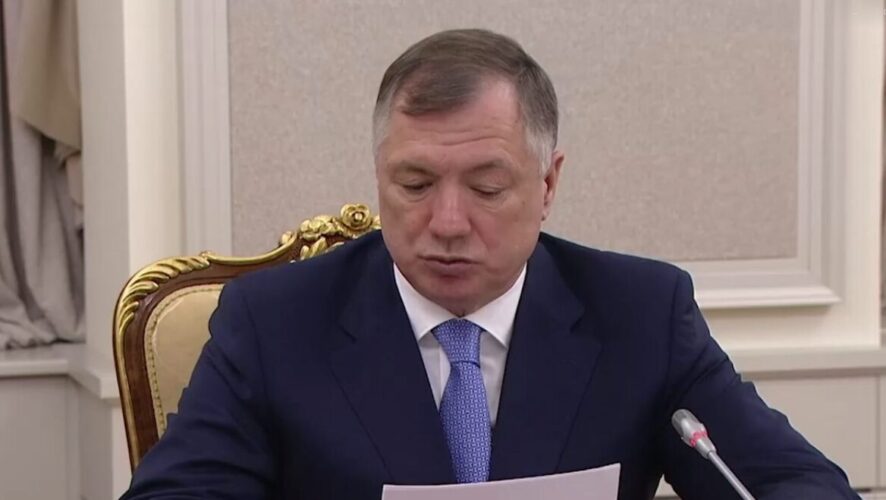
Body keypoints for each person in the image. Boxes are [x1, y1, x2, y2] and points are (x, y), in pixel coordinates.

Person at [122, 29, 858, 499]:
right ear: (379, 176)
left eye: (486, 187)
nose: (447, 223)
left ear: (548, 184)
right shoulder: (276, 323)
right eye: (414, 185)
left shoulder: (640, 315)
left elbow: (797, 484)